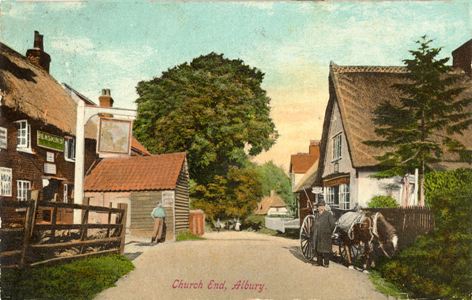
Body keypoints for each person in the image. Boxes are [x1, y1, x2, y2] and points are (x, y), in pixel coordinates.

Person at [313, 200, 335, 267]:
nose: (320, 208)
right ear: (317, 207)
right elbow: (315, 224)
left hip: (326, 234)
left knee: (326, 250)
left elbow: (332, 225)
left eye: (321, 206)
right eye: (319, 206)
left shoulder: (328, 214)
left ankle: (326, 263)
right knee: (318, 249)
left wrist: (329, 232)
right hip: (318, 234)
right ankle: (319, 262)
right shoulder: (316, 215)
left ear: (324, 207)